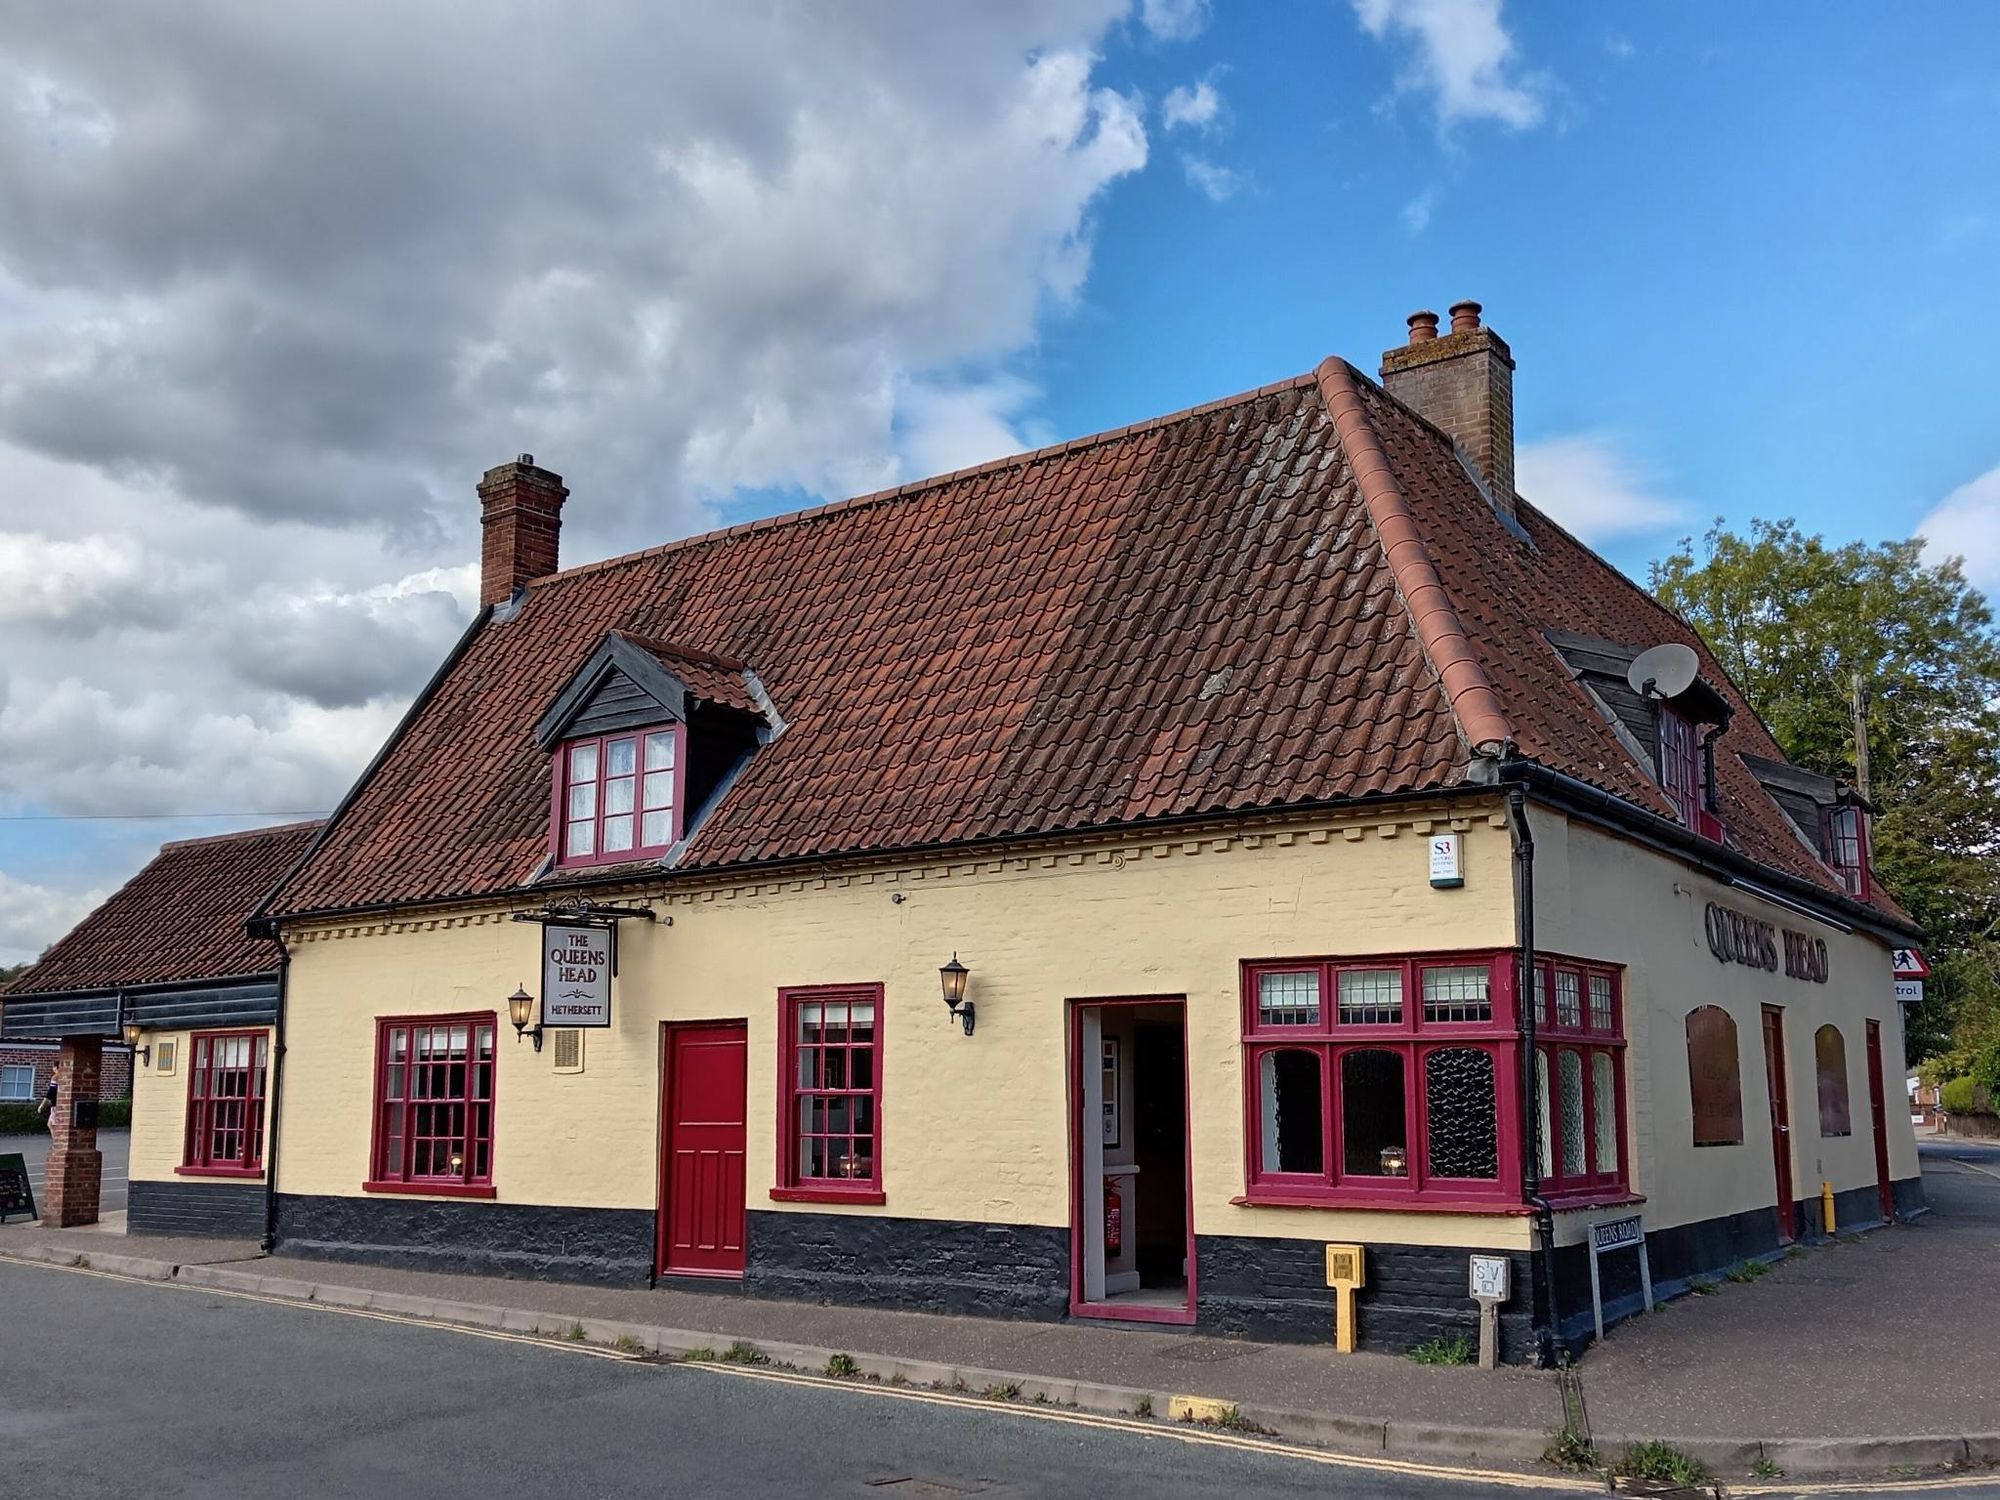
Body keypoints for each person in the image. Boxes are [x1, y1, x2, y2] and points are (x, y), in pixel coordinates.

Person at [37, 1063, 60, 1136]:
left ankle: (57, 1143)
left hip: (56, 1104)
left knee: (52, 1125)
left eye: (53, 1067)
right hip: (59, 1103)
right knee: (50, 1124)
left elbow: (50, 1093)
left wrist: (42, 1105)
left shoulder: (55, 1077)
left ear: (56, 1067)